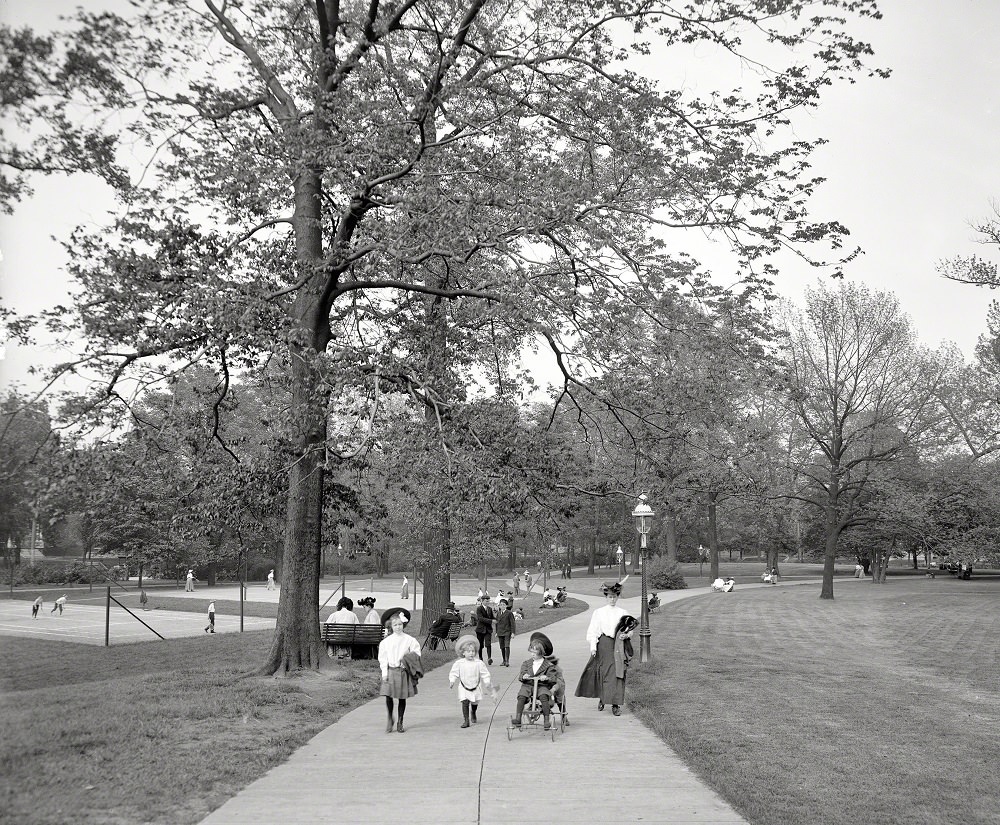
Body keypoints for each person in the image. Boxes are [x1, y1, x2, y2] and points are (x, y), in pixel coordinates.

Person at [575, 581, 629, 715]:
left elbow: (629, 630)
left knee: (617, 673)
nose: (612, 599)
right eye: (610, 597)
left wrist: (625, 635)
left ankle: (615, 704)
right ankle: (603, 699)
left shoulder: (623, 612)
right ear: (605, 597)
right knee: (604, 673)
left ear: (618, 597)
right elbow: (593, 631)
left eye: (615, 596)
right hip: (603, 644)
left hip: (617, 644)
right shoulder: (599, 612)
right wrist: (593, 647)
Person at [378, 611, 422, 733]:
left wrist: (408, 659)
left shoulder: (409, 640)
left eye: (400, 624)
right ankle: (389, 718)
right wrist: (384, 673)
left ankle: (400, 721)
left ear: (403, 625)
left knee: (402, 697)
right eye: (395, 625)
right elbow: (383, 658)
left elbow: (417, 652)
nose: (398, 627)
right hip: (390, 671)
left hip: (402, 671)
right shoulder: (386, 642)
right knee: (388, 695)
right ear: (391, 626)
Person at [449, 635, 498, 728]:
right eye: (468, 651)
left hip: (476, 686)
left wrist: (487, 681)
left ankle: (473, 711)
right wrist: (452, 680)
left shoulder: (479, 663)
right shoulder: (459, 663)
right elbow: (454, 672)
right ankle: (466, 720)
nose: (471, 653)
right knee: (465, 702)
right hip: (464, 686)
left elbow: (485, 673)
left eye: (473, 651)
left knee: (475, 702)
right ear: (463, 653)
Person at [513, 635, 560, 730]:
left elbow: (553, 678)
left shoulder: (548, 665)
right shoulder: (527, 663)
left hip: (541, 686)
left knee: (543, 697)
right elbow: (522, 674)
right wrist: (524, 676)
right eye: (531, 652)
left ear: (541, 653)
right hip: (528, 685)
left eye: (535, 652)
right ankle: (518, 718)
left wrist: (546, 677)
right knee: (521, 696)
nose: (532, 654)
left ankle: (546, 719)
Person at [474, 594, 495, 664]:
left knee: (488, 644)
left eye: (488, 601)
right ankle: (480, 657)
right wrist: (491, 621)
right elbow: (481, 618)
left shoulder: (489, 609)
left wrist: (496, 619)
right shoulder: (479, 609)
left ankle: (489, 658)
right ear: (482, 601)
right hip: (480, 629)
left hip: (488, 629)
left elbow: (492, 617)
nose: (488, 602)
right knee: (480, 644)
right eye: (486, 601)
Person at [495, 598, 516, 666]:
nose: (502, 606)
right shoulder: (498, 613)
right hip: (500, 632)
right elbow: (497, 623)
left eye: (503, 605)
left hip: (507, 632)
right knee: (502, 647)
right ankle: (504, 660)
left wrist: (513, 632)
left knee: (507, 645)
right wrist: (496, 632)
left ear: (506, 606)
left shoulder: (509, 613)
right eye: (501, 605)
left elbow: (512, 623)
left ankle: (507, 661)